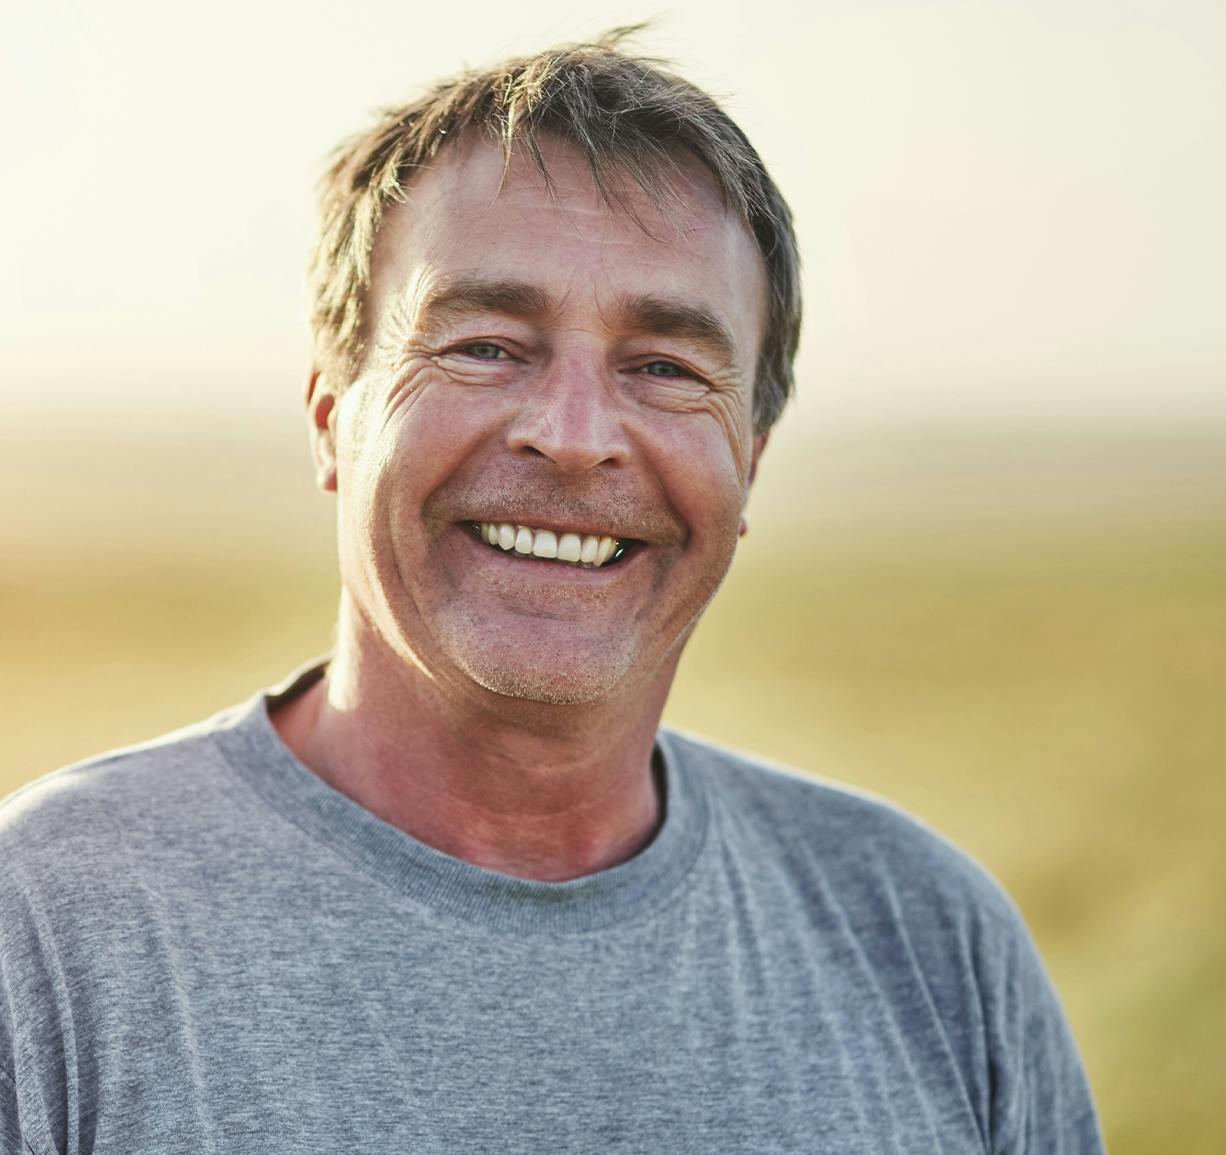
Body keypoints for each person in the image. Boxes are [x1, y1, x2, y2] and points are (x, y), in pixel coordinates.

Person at [0, 33, 1103, 1154]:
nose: (574, 441)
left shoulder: (927, 941)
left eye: (665, 368)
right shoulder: (46, 933)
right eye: (485, 346)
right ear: (333, 415)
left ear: (750, 461)